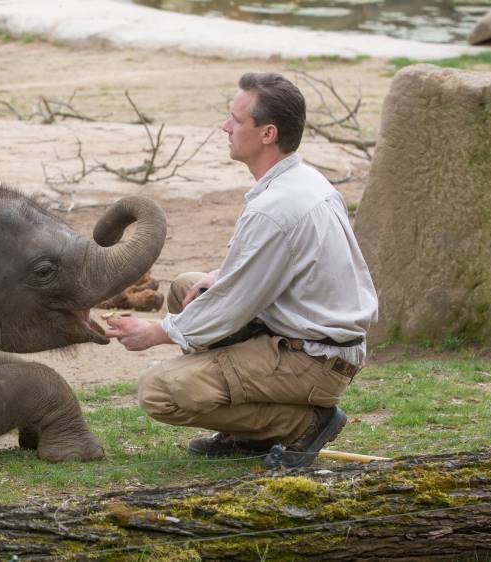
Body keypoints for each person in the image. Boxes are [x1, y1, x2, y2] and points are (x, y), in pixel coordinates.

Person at [104, 72, 378, 468]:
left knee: (158, 391)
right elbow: (271, 267)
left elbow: (231, 306)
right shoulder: (304, 180)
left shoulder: (277, 206)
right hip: (313, 336)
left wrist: (154, 333)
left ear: (268, 133)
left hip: (315, 359)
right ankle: (247, 431)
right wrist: (218, 277)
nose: (225, 127)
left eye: (236, 119)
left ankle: (298, 424)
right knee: (187, 288)